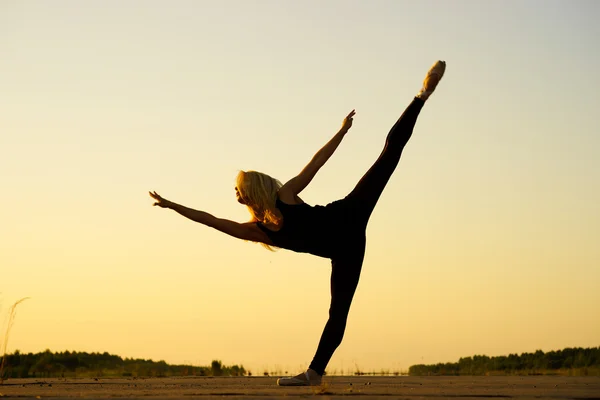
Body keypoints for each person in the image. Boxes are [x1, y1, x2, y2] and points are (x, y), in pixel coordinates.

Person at [149, 60, 446, 386]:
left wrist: (341, 132)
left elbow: (315, 164)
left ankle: (422, 95)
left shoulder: (284, 194)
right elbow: (212, 221)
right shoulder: (254, 230)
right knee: (338, 314)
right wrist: (173, 205)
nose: (233, 192)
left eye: (238, 187)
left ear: (251, 190)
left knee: (388, 154)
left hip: (349, 213)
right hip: (347, 249)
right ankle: (314, 374)